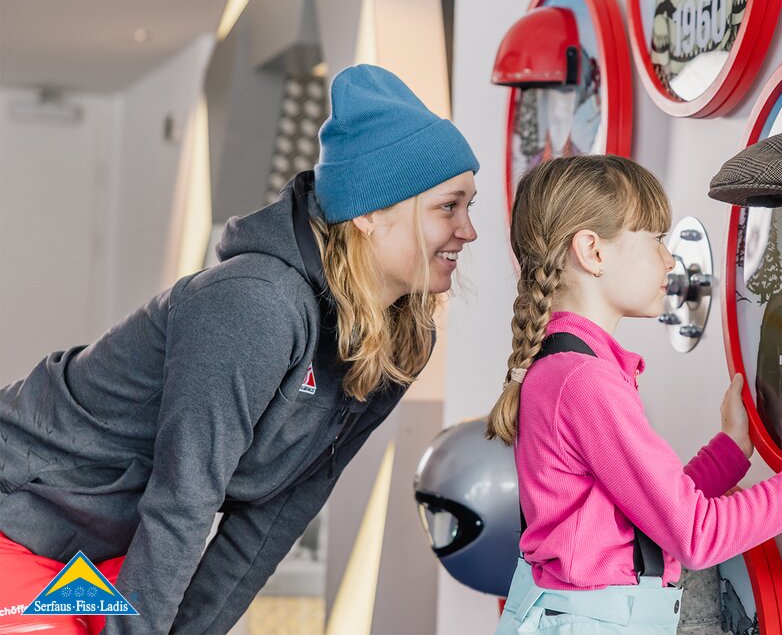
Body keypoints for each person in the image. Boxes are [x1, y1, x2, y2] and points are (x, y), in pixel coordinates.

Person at [0, 64, 479, 635]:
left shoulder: (400, 340)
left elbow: (278, 513)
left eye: (468, 207)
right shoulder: (257, 302)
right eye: (448, 207)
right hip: (23, 515)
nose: (468, 230)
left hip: (111, 547)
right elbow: (184, 498)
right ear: (372, 214)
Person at [486, 154, 782, 634]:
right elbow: (696, 535)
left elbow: (646, 513)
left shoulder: (565, 370)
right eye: (655, 239)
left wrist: (730, 450)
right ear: (593, 252)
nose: (670, 260)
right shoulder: (584, 382)